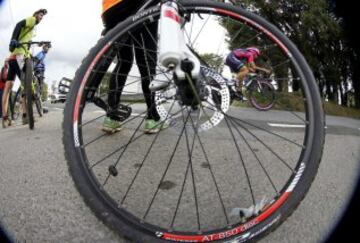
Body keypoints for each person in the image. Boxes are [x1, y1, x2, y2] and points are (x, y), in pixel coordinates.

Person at [100, 0, 164, 134]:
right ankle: (153, 118)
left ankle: (111, 117)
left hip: (111, 9)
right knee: (146, 60)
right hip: (137, 4)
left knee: (123, 62)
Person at [1, 8, 47, 128]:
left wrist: (38, 43)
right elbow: (19, 24)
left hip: (13, 57)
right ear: (35, 14)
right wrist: (13, 39)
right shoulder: (31, 20)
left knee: (7, 88)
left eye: (42, 17)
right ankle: (25, 116)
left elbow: (26, 40)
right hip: (19, 55)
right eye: (40, 15)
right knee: (25, 84)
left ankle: (5, 118)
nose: (41, 18)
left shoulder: (31, 29)